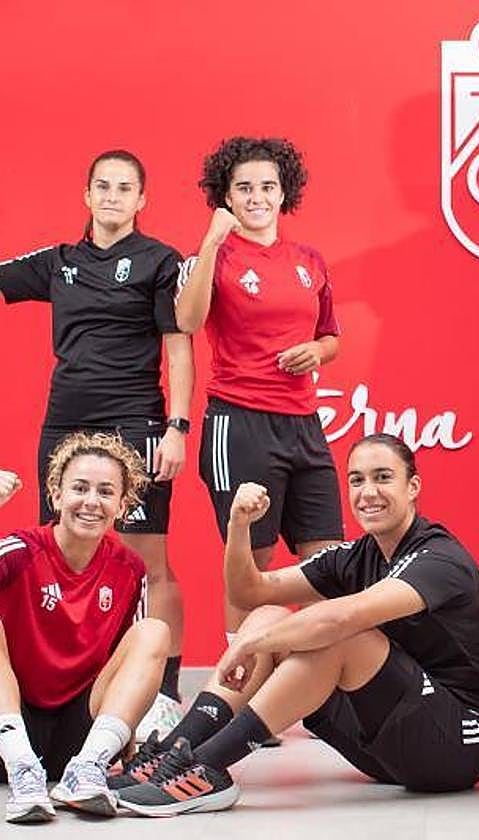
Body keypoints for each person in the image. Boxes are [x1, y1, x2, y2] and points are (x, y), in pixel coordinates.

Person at [114, 434, 479, 816]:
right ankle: (174, 755)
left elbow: (342, 618)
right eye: (357, 480)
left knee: (343, 638)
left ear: (412, 486)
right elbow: (249, 592)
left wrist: (250, 645)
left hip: (456, 744)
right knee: (267, 616)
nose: (368, 492)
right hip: (386, 744)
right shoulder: (355, 555)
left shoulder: (440, 557)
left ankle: (207, 767)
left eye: (383, 477)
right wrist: (238, 527)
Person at [0, 152, 193, 734]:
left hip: (136, 420)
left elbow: (179, 348)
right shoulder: (61, 263)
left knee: (148, 559)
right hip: (66, 424)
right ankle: (59, 684)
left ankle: (164, 694)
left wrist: (178, 429)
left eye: (124, 187)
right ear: (86, 195)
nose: (112, 196)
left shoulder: (161, 262)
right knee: (57, 555)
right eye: (102, 186)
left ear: (142, 200)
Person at [0, 433, 171, 823]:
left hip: (76, 741)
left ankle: (87, 771)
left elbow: (128, 667)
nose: (91, 501)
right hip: (1, 740)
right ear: (57, 495)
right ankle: (24, 772)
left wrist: (124, 747)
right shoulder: (22, 549)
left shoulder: (130, 569)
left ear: (122, 505)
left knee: (154, 632)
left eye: (106, 491)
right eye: (79, 488)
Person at [175, 136, 343, 635]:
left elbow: (330, 336)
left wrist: (318, 352)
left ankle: (320, 692)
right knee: (254, 562)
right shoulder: (213, 257)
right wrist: (210, 241)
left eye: (267, 187)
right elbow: (186, 320)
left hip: (304, 423)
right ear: (225, 197)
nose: (257, 197)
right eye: (244, 188)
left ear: (282, 192)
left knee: (329, 560)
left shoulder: (308, 259)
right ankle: (238, 689)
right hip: (240, 422)